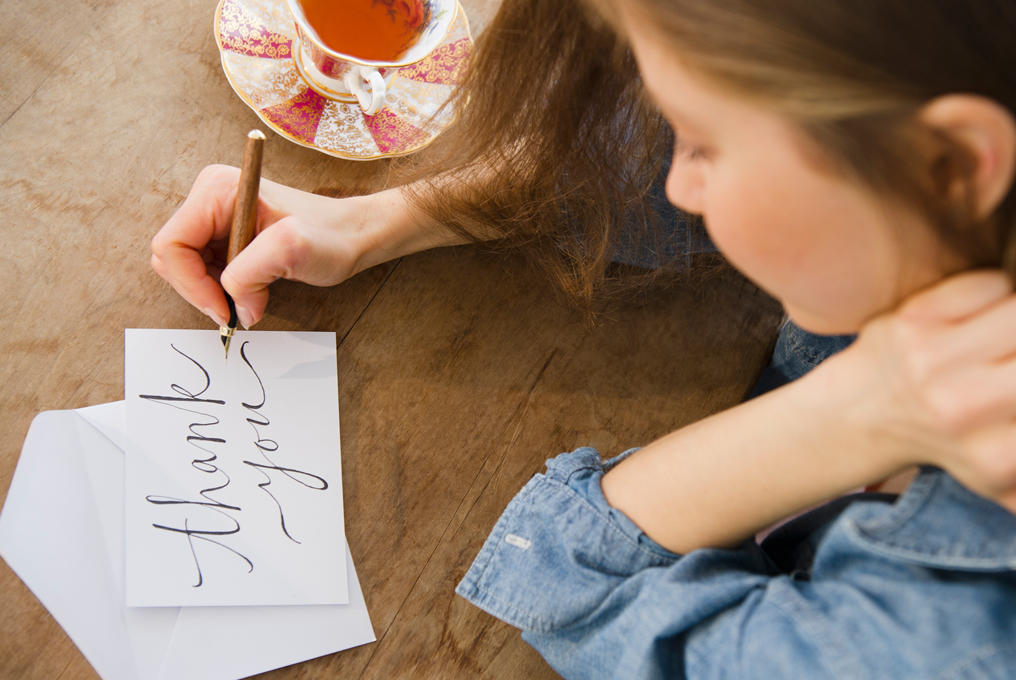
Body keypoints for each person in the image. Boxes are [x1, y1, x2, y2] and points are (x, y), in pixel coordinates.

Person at [152, 0, 1016, 676]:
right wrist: (384, 219)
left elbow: (574, 589)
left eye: (707, 145)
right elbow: (639, 168)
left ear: (954, 162)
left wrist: (864, 409)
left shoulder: (956, 646)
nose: (681, 184)